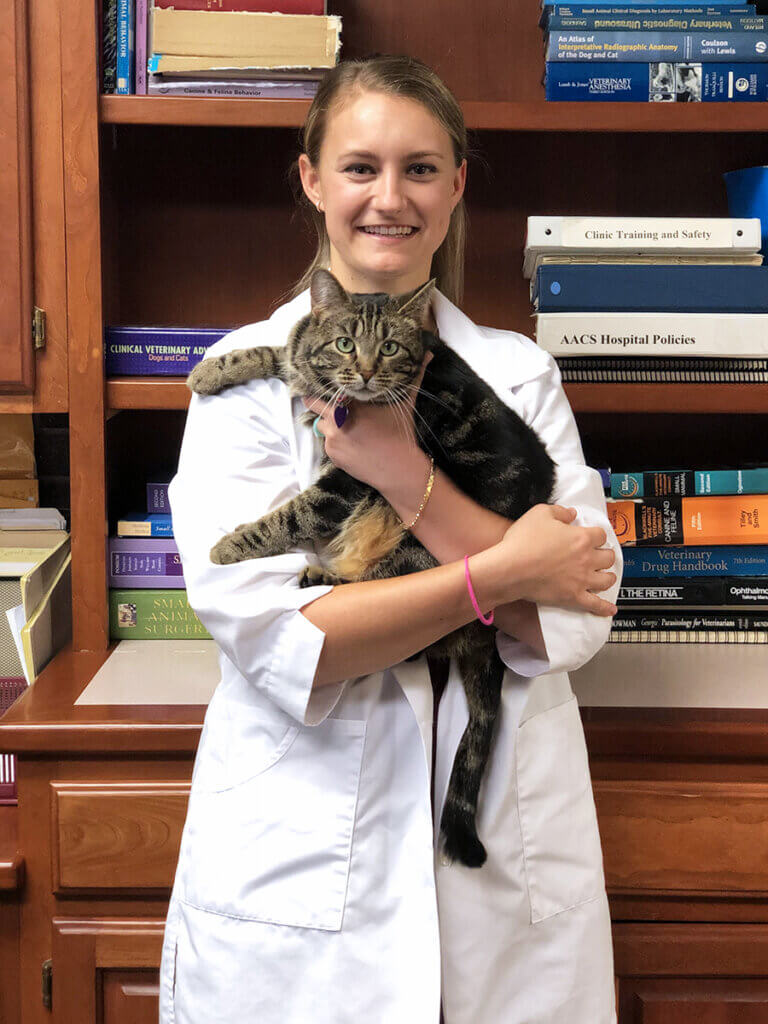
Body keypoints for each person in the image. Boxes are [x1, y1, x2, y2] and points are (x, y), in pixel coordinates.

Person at [159, 54, 622, 1024]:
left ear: (457, 184)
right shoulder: (238, 383)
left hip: (503, 874)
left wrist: (407, 477)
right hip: (300, 877)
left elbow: (568, 617)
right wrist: (504, 566)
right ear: (312, 180)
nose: (389, 197)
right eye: (361, 166)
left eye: (420, 168)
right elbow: (299, 638)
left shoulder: (521, 375)